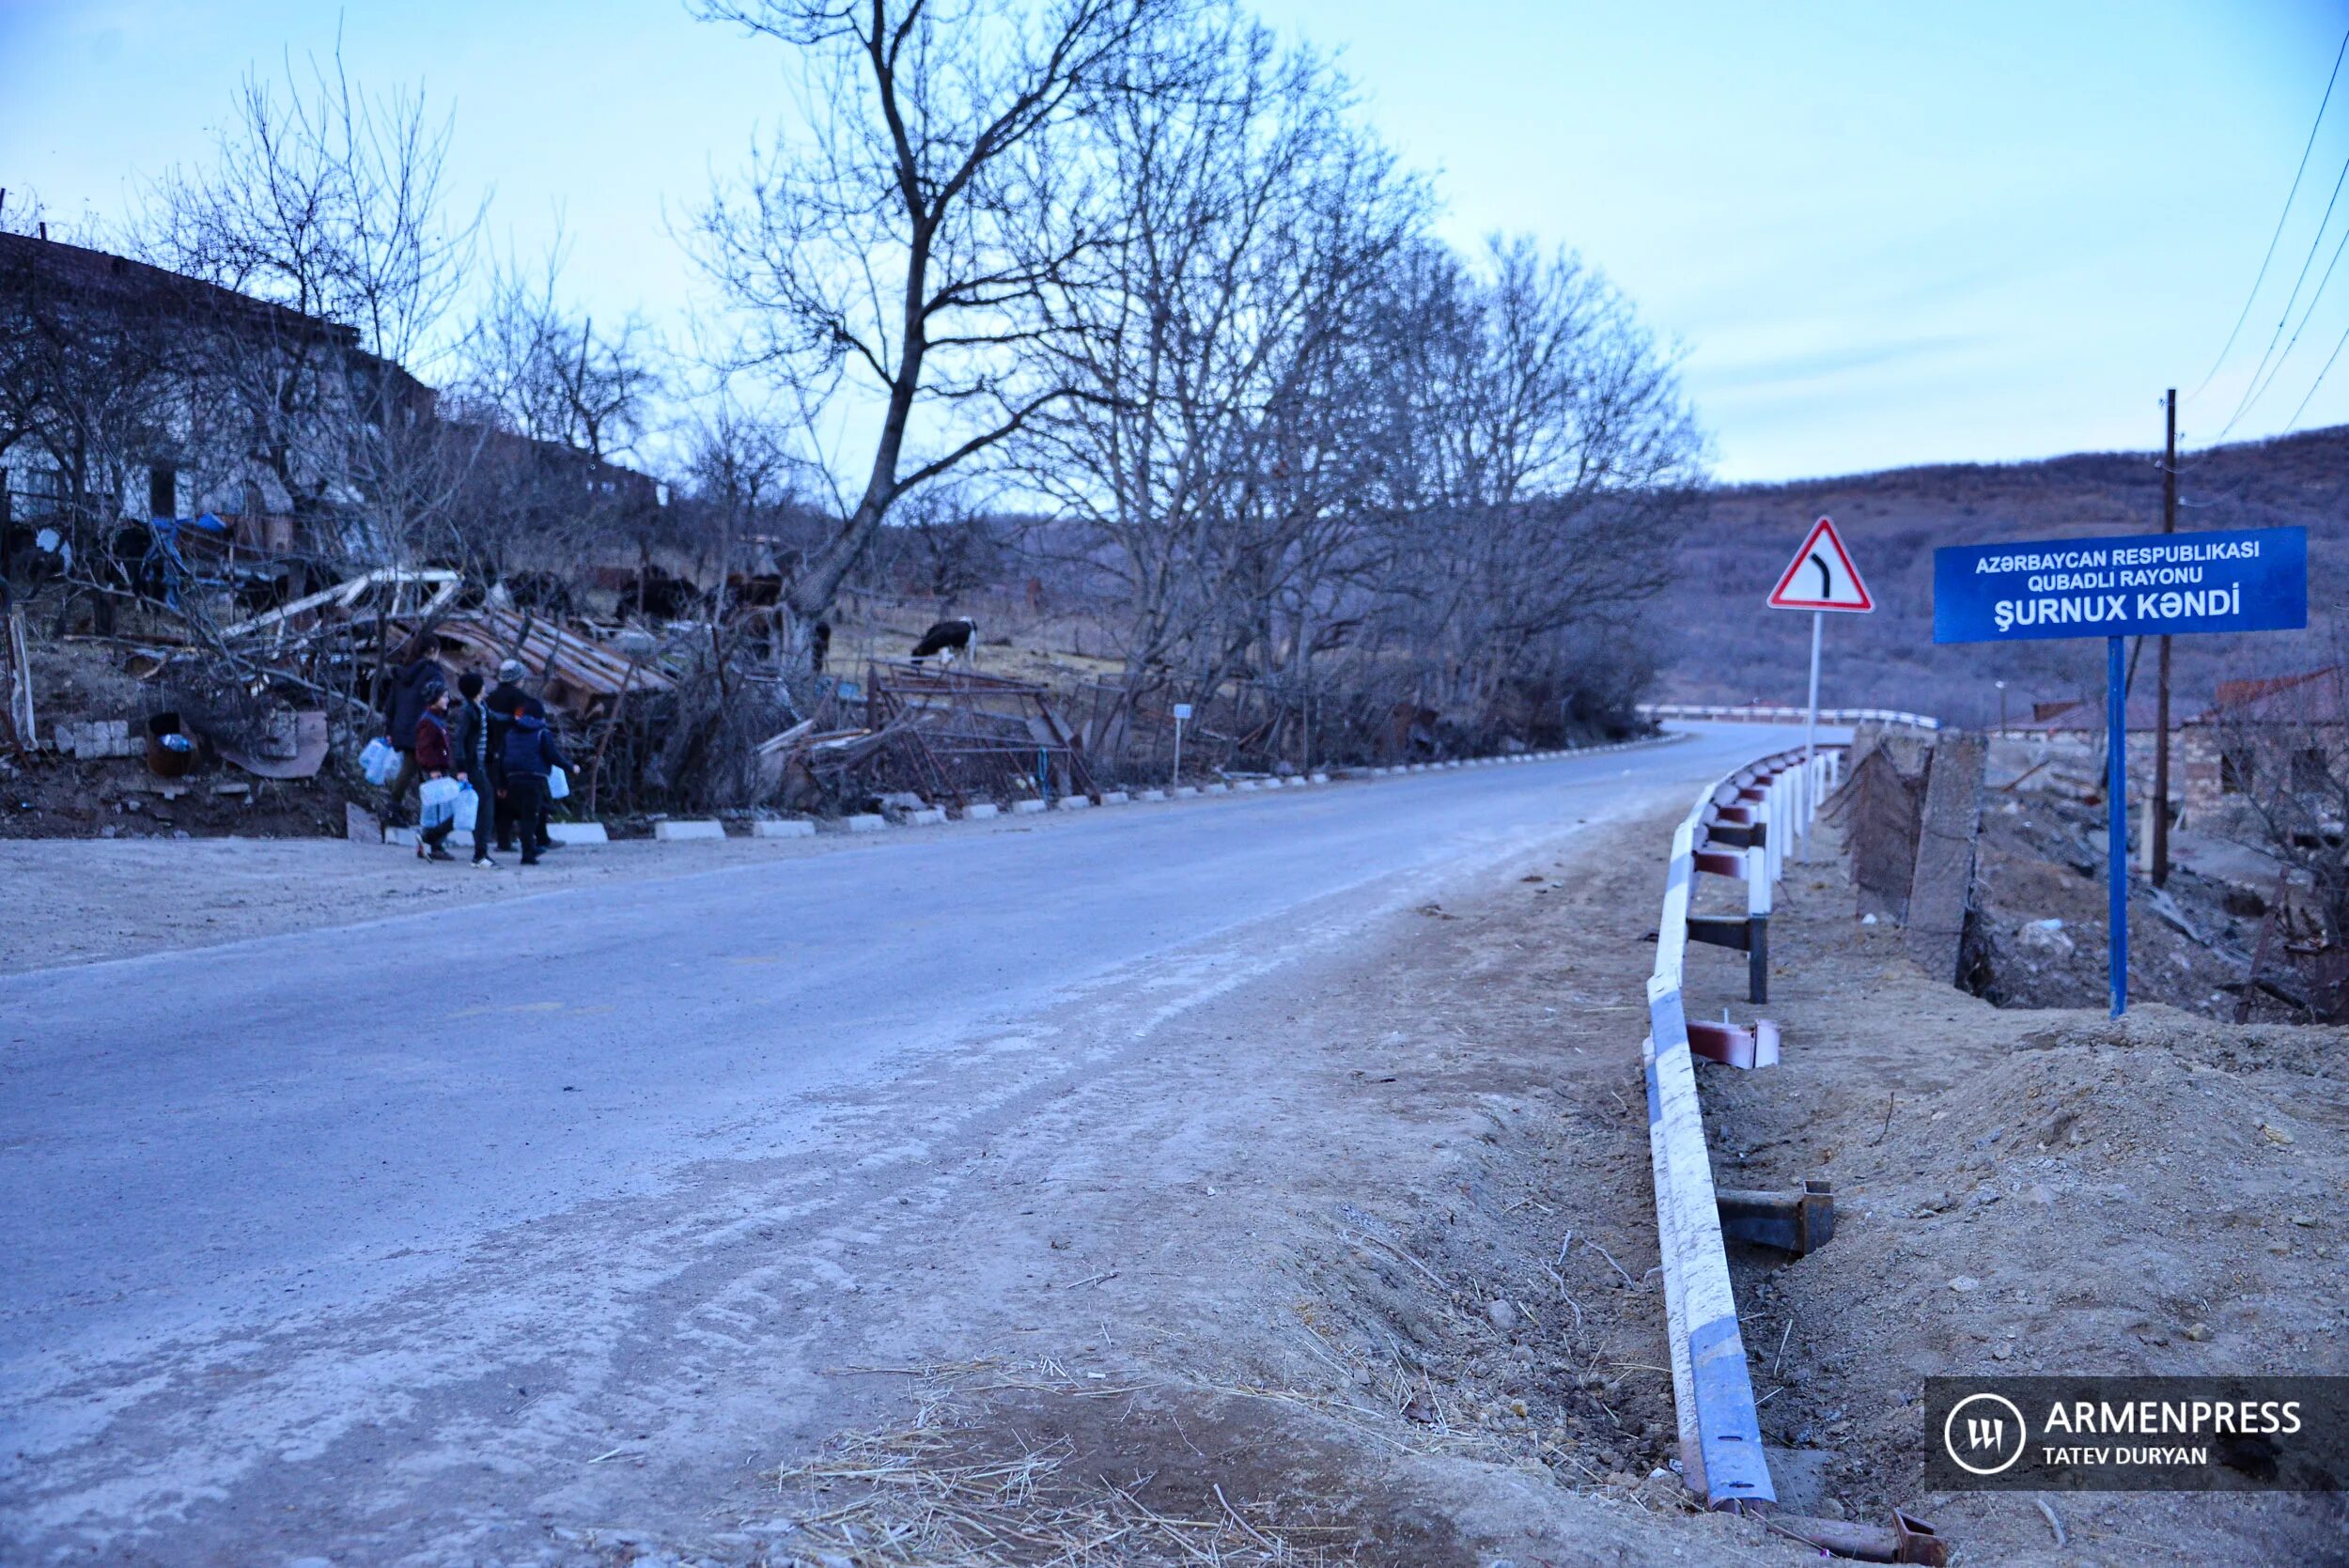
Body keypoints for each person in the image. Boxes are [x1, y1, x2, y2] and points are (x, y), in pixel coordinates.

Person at [381, 633, 446, 826]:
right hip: (425, 728)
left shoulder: (402, 672)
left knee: (414, 769)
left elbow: (390, 703)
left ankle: (403, 811)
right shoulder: (433, 673)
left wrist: (390, 728)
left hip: (402, 728)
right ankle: (395, 810)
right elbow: (439, 702)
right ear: (433, 651)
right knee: (417, 769)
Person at [485, 658, 544, 856]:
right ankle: (539, 837)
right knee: (531, 800)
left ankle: (503, 840)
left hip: (494, 755)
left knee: (502, 799)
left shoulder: (489, 698)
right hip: (517, 755)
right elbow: (524, 724)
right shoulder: (520, 699)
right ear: (518, 678)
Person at [499, 696, 567, 867]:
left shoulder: (510, 733)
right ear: (540, 716)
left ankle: (530, 846)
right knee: (531, 816)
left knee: (523, 815)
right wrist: (570, 766)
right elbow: (552, 755)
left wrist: (502, 783)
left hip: (513, 777)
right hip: (534, 778)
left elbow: (502, 759)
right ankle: (528, 853)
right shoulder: (542, 732)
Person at [449, 671, 499, 868]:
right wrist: (461, 768)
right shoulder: (468, 712)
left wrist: (517, 717)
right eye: (482, 685)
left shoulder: (481, 708)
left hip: (478, 765)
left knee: (471, 806)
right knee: (485, 805)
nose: (485, 688)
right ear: (477, 689)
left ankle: (430, 836)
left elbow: (498, 719)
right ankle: (480, 855)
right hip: (471, 766)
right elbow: (459, 740)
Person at [412, 680, 459, 862]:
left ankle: (426, 843)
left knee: (436, 807)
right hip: (434, 770)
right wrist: (433, 769)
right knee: (438, 809)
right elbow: (425, 748)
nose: (447, 700)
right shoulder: (428, 722)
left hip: (440, 769)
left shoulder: (437, 718)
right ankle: (435, 845)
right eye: (444, 696)